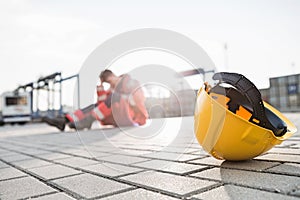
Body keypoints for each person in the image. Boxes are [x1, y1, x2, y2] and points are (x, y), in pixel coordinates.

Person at [42, 69, 148, 131]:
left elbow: (138, 100)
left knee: (114, 97)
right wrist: (100, 88)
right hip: (119, 117)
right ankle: (65, 120)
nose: (110, 84)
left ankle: (87, 121)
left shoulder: (131, 82)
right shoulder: (113, 90)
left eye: (110, 80)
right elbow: (101, 104)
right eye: (107, 83)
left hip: (134, 117)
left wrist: (122, 95)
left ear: (113, 75)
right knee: (95, 105)